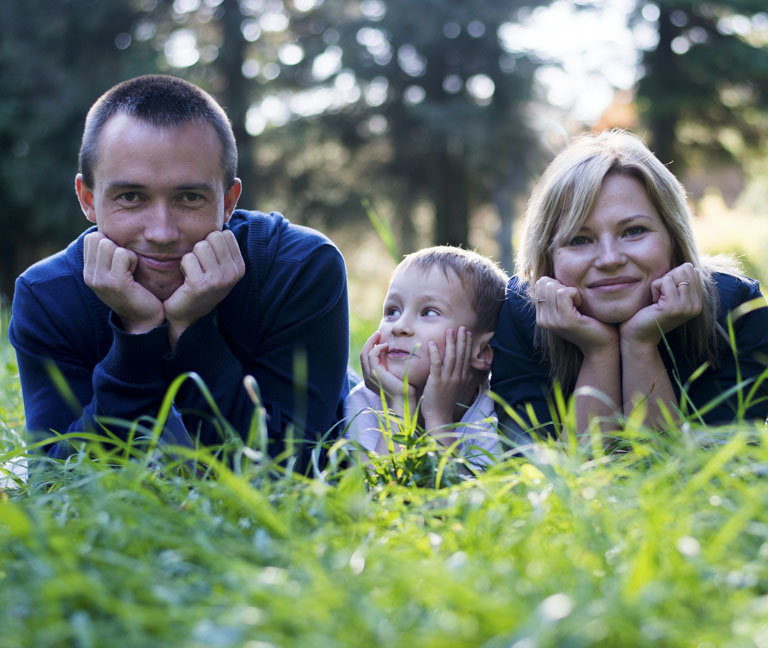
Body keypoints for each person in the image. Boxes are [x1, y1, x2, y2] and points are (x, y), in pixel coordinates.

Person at [8, 75, 349, 471]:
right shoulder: (47, 297)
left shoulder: (298, 268)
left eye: (189, 197)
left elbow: (291, 470)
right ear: (88, 199)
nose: (162, 233)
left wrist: (190, 328)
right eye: (131, 197)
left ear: (227, 202)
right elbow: (58, 484)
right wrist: (137, 335)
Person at [490, 129, 768, 438]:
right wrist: (600, 352)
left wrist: (640, 344)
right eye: (579, 239)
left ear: (673, 235)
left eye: (634, 231)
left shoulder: (735, 307)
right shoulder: (521, 313)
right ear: (548, 254)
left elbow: (708, 468)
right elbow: (547, 473)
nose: (609, 258)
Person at [343, 246, 507, 468]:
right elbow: (374, 493)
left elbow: (461, 498)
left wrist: (438, 418)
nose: (399, 326)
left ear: (483, 351)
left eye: (429, 312)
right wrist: (398, 404)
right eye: (392, 311)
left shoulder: (492, 411)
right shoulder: (367, 400)